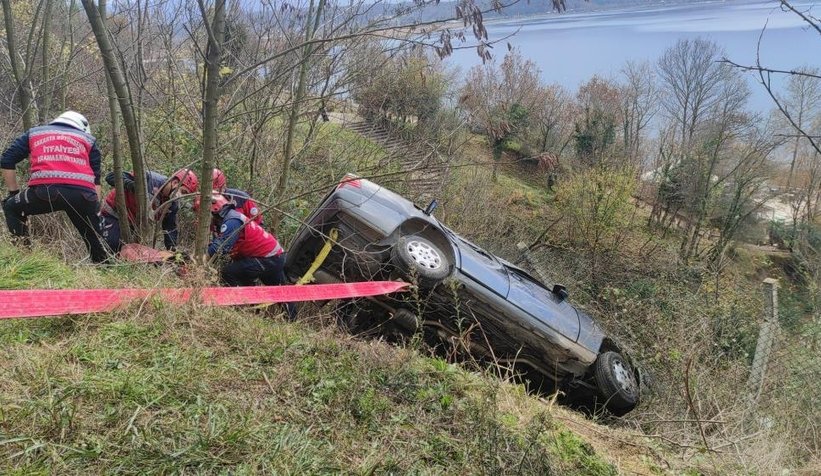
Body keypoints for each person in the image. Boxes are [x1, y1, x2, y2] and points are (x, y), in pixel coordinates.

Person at [1, 111, 108, 263]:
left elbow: (7, 159)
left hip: (45, 192)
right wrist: (95, 207)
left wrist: (13, 193)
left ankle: (23, 259)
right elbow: (95, 179)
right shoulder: (89, 140)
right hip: (83, 195)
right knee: (94, 236)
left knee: (12, 207)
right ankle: (104, 266)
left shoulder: (35, 133)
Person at [207, 193, 296, 319]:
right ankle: (290, 318)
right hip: (273, 257)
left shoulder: (231, 221)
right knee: (279, 291)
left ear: (214, 211)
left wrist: (199, 257)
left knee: (229, 273)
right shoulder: (231, 217)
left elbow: (221, 248)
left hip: (267, 258)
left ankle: (240, 308)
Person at [99, 168, 198, 253]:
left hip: (134, 226)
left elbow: (169, 228)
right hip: (113, 215)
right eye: (183, 191)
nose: (181, 196)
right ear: (175, 182)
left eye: (185, 195)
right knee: (112, 246)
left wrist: (172, 251)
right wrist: (134, 186)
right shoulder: (148, 179)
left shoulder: (172, 204)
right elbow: (110, 177)